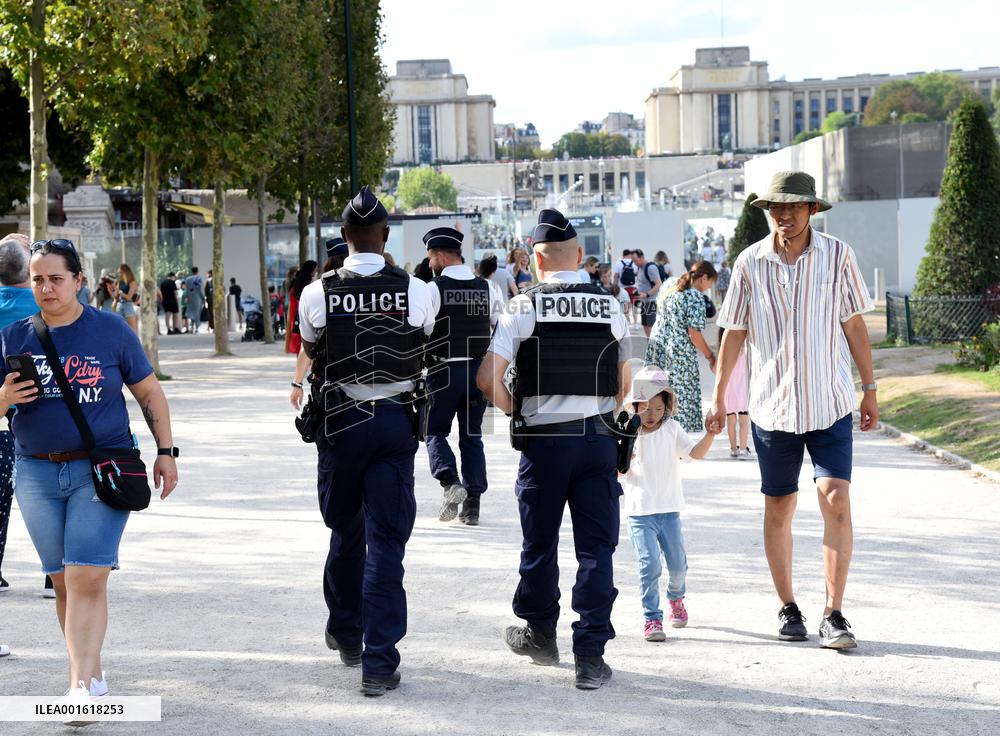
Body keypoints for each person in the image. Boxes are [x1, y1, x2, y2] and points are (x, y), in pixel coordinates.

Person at [0, 238, 178, 710]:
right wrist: (3, 401)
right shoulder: (15, 335)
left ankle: (78, 684)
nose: (46, 287)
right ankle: (91, 673)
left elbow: (149, 395)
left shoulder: (111, 331)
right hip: (36, 473)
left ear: (79, 281)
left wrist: (166, 452)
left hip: (101, 468)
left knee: (86, 577)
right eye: (38, 279)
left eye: (56, 278)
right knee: (62, 580)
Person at [706, 170, 878, 650]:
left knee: (835, 500)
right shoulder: (749, 263)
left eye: (793, 207)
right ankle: (788, 607)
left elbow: (855, 326)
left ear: (812, 210)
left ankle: (835, 613)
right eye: (776, 207)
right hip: (772, 407)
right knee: (779, 507)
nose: (783, 215)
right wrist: (719, 396)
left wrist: (870, 388)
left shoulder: (838, 256)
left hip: (830, 402)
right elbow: (734, 332)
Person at [477, 208, 631, 691]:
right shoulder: (611, 305)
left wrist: (516, 412)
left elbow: (487, 379)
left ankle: (541, 635)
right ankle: (590, 654)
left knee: (539, 544)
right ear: (581, 256)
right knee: (596, 548)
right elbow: (627, 384)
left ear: (536, 260)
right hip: (599, 440)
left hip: (545, 442)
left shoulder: (523, 305)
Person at [297, 186, 435, 697]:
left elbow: (312, 349)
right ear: (385, 236)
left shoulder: (318, 292)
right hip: (395, 423)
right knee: (387, 543)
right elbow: (427, 344)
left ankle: (346, 630)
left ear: (344, 238)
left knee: (346, 531)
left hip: (341, 422)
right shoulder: (418, 290)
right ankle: (378, 663)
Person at [619, 367, 718, 642]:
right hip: (640, 513)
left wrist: (709, 435)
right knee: (649, 565)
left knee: (677, 566)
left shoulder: (672, 430)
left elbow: (693, 454)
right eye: (645, 407)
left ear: (667, 407)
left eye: (658, 407)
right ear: (635, 406)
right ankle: (652, 618)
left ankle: (676, 597)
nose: (651, 414)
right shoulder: (628, 434)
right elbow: (617, 468)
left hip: (669, 511)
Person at [424, 227, 501, 525]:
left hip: (443, 372)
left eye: (431, 257)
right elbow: (499, 328)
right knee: (473, 437)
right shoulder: (487, 287)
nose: (430, 263)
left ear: (441, 256)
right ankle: (473, 506)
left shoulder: (434, 288)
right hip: (478, 373)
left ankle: (450, 482)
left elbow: (424, 329)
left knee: (434, 431)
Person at [0, 234, 42, 596]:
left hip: (2, 416)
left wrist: (8, 251)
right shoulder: (46, 304)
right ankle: (53, 574)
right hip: (42, 415)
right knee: (46, 495)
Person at [645, 260, 718, 432]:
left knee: (656, 394)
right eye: (709, 283)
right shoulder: (695, 297)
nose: (707, 288)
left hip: (657, 347)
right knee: (679, 401)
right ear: (704, 277)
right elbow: (694, 334)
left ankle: (655, 433)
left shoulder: (670, 284)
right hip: (679, 355)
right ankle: (675, 444)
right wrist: (710, 356)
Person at [718, 326, 750, 459]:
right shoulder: (746, 351)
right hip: (742, 390)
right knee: (744, 421)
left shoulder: (723, 353)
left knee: (731, 420)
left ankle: (733, 449)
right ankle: (743, 449)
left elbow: (716, 370)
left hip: (728, 391)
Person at [286, 260, 317, 356]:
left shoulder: (295, 284)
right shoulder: (309, 286)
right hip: (305, 316)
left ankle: (300, 366)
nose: (316, 272)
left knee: (299, 343)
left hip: (295, 317)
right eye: (315, 270)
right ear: (310, 271)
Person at [631, 249, 663, 338]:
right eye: (633, 261)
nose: (635, 263)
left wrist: (647, 294)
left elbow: (659, 284)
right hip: (645, 301)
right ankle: (650, 346)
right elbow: (642, 283)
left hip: (651, 300)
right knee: (645, 325)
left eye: (636, 261)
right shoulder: (640, 268)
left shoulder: (650, 268)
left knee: (650, 326)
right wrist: (637, 291)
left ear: (642, 257)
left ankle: (655, 347)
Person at [114, 263, 139, 332]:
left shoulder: (132, 282)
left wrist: (121, 293)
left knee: (132, 330)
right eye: (118, 272)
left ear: (125, 272)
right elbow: (116, 297)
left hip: (128, 305)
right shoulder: (120, 282)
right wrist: (113, 290)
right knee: (119, 329)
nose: (119, 274)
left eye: (120, 272)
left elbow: (129, 297)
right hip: (120, 305)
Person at [184, 267, 205, 334]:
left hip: (190, 297)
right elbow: (200, 289)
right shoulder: (199, 278)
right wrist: (203, 297)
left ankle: (191, 326)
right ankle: (196, 327)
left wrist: (187, 296)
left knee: (191, 311)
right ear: (197, 271)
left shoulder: (187, 279)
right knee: (197, 312)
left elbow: (186, 289)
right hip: (197, 297)